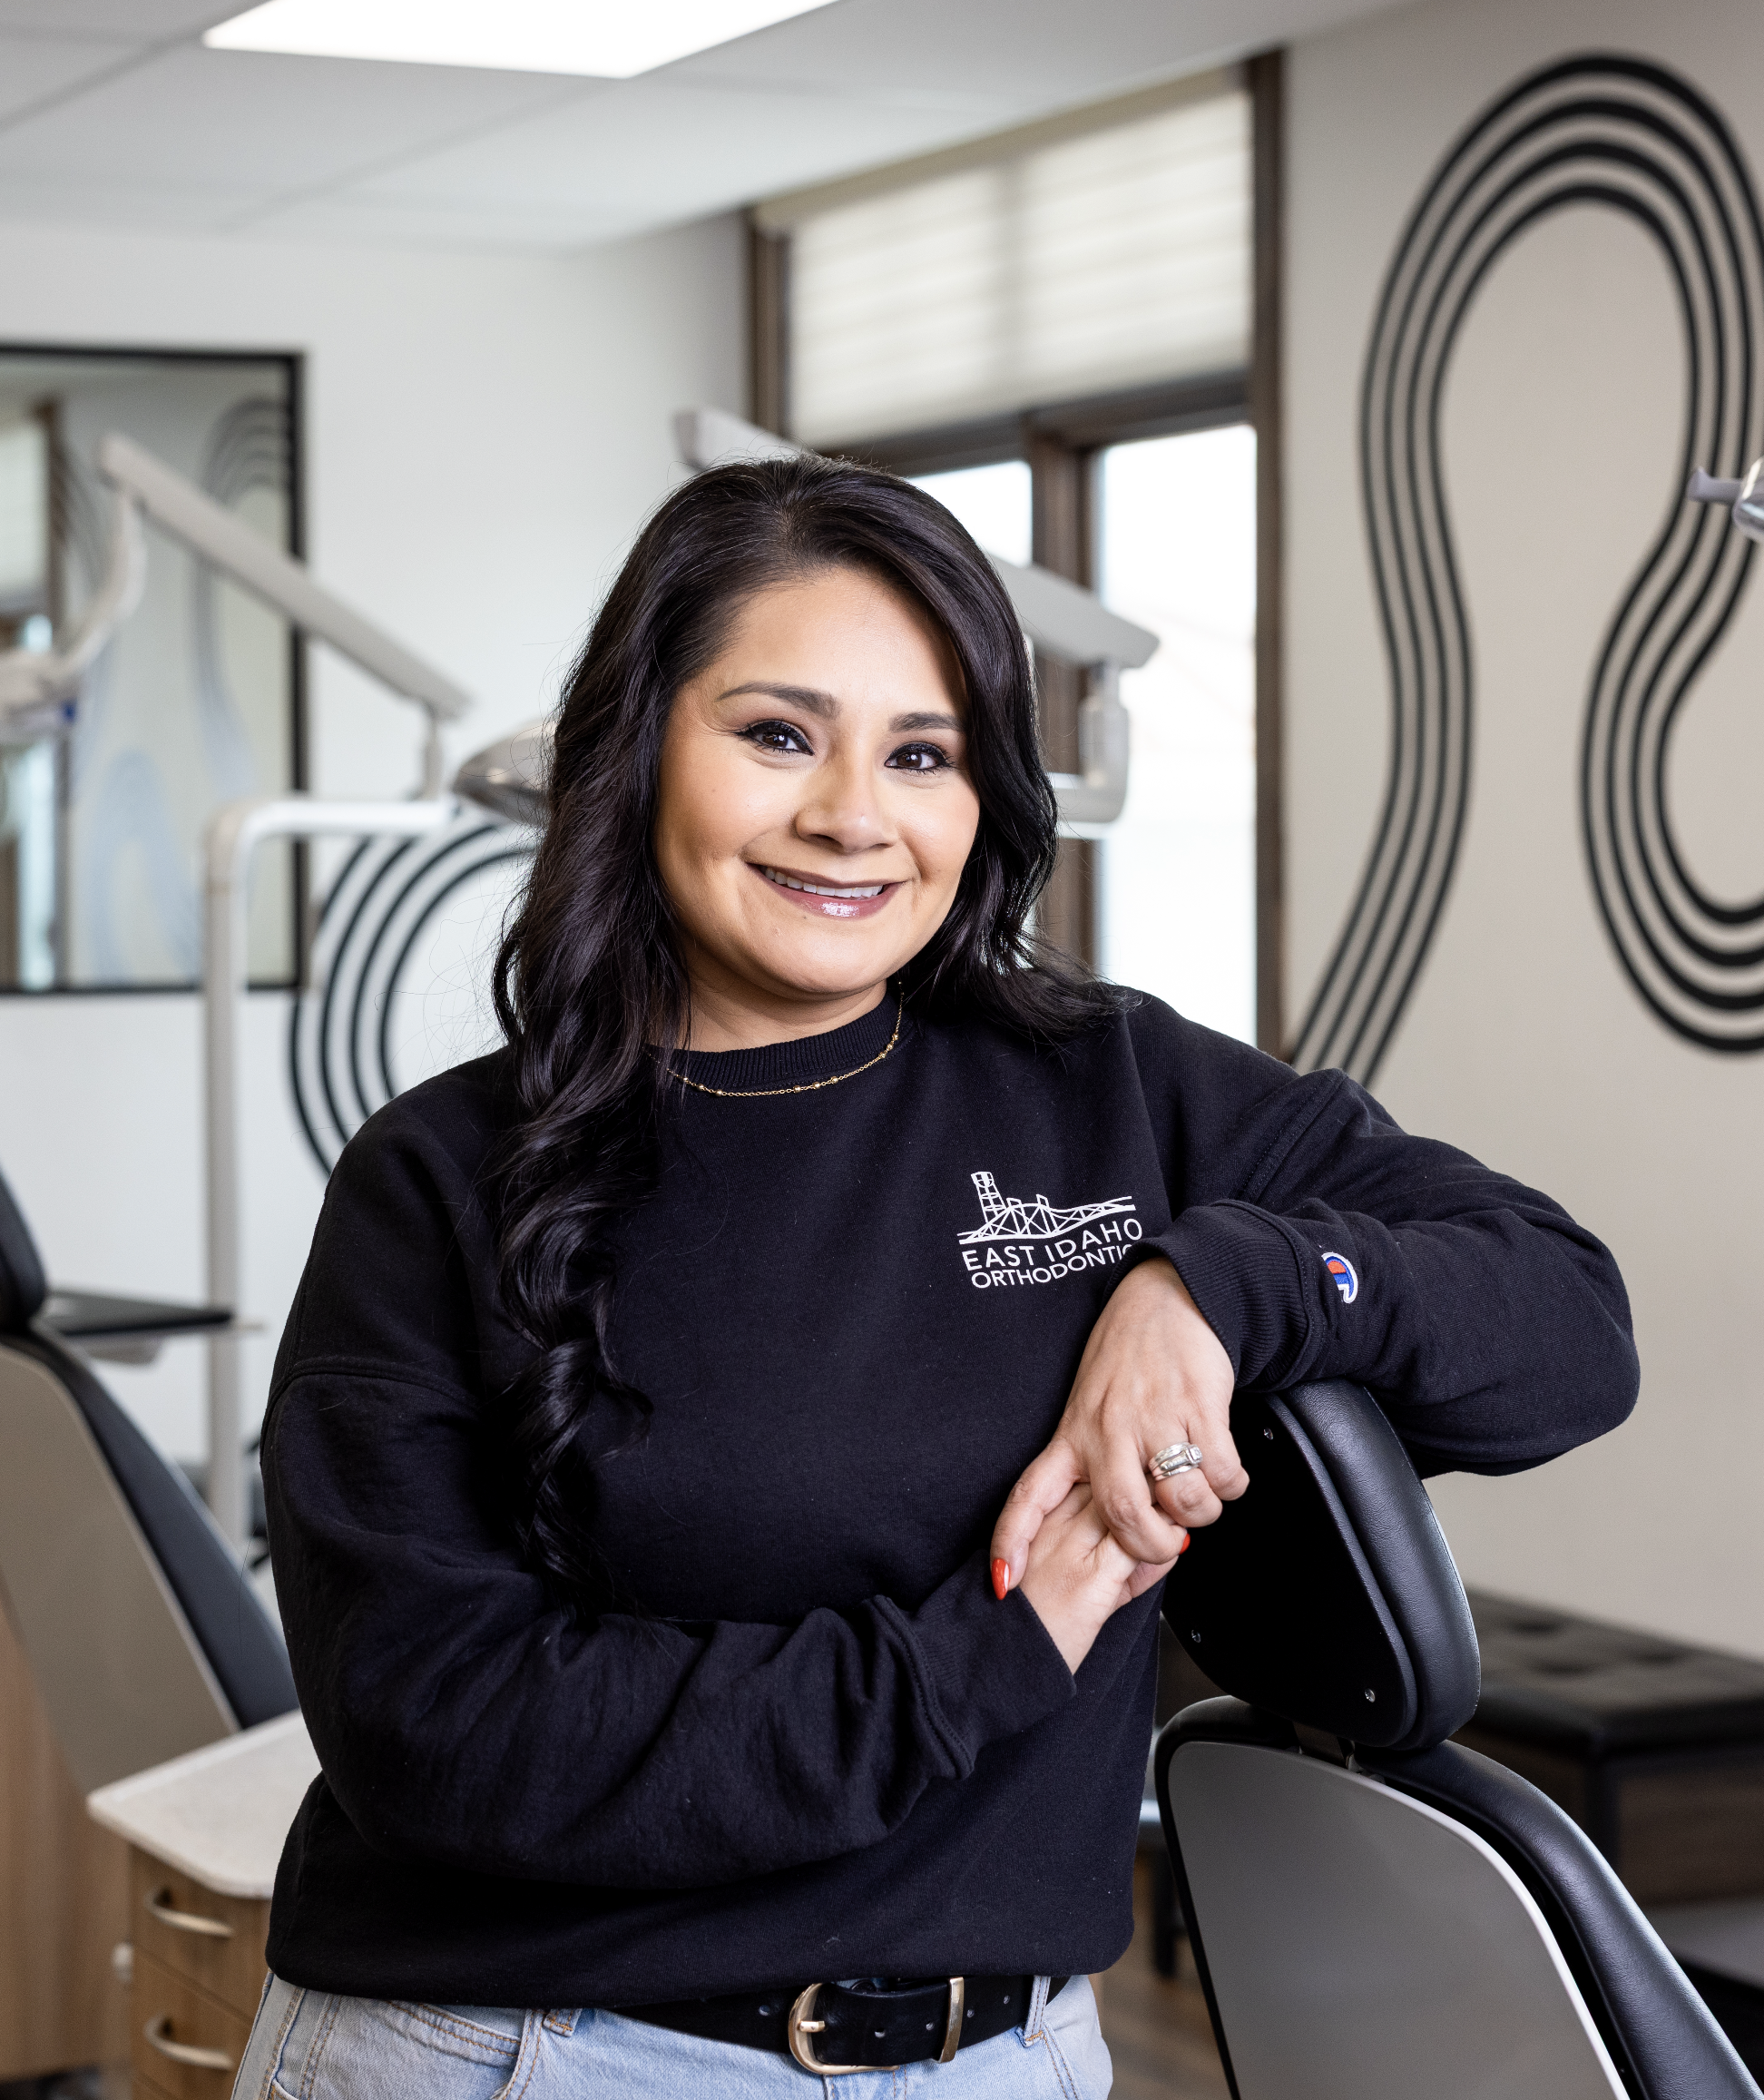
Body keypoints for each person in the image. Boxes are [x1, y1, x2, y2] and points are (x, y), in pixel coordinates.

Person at [232, 456, 1638, 2099]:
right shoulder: (434, 1180)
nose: (852, 813)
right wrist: (991, 1653)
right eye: (777, 734)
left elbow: (1565, 1321)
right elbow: (446, 1732)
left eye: (924, 753)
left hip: (1006, 2059)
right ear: (638, 747)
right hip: (530, 2053)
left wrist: (1221, 1280)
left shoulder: (1117, 1094)